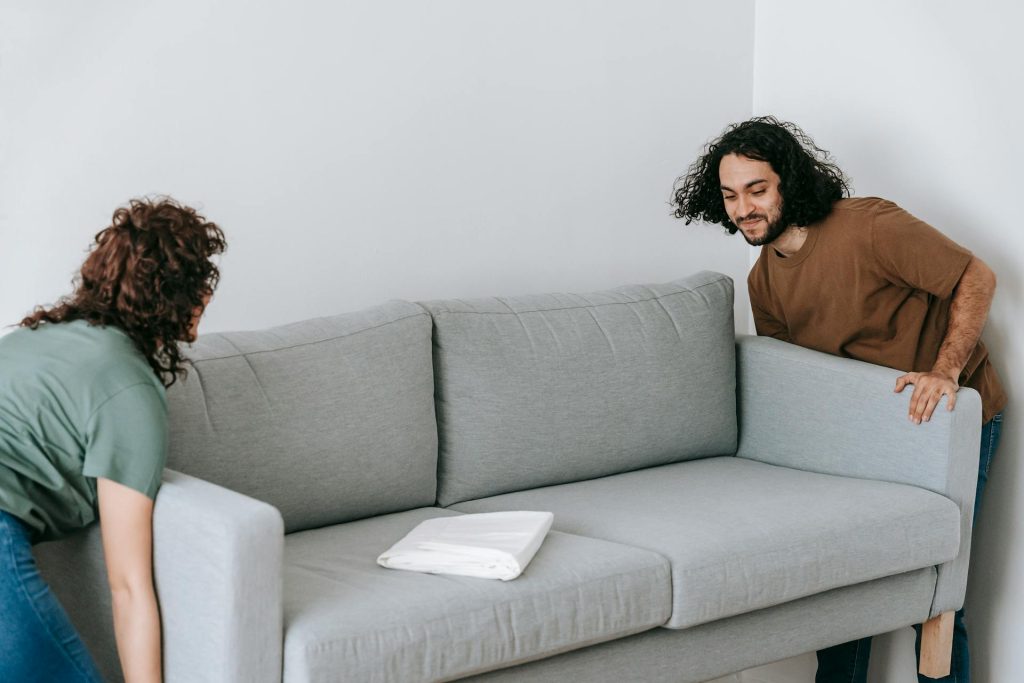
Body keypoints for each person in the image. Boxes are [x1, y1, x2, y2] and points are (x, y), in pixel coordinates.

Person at [671, 116, 1005, 683]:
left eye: (757, 189)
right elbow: (796, 382)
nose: (744, 208)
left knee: (936, 595)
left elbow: (976, 276)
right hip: (866, 435)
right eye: (730, 195)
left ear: (789, 181)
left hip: (947, 418)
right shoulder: (762, 281)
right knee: (845, 583)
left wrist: (944, 371)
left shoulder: (868, 226)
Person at [0, 197, 226, 682]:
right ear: (175, 296)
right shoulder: (129, 389)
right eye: (200, 283)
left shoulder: (30, 339)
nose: (207, 298)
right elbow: (128, 586)